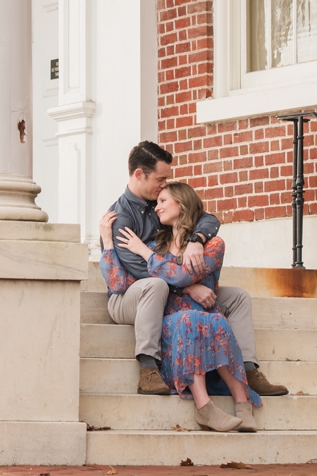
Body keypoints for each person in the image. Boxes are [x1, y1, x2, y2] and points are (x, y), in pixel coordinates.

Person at [99, 141, 287, 398]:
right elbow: (136, 272)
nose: (164, 185)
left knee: (238, 297)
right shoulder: (121, 217)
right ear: (140, 174)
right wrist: (188, 286)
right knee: (156, 284)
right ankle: (147, 369)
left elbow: (209, 218)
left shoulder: (162, 202)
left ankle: (248, 370)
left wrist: (197, 239)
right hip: (134, 294)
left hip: (170, 287)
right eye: (161, 179)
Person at [108, 182, 260, 432]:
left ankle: (243, 405)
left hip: (203, 315)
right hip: (171, 319)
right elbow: (130, 280)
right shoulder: (158, 244)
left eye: (163, 201)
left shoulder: (213, 244)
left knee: (214, 320)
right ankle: (205, 409)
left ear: (182, 204)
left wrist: (146, 254)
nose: (157, 207)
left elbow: (180, 277)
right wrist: (111, 243)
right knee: (191, 319)